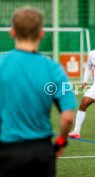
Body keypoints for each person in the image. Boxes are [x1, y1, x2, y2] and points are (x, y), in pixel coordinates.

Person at [0, 7, 77, 177]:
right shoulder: (54, 69)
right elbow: (67, 117)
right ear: (41, 33)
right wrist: (61, 141)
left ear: (12, 33)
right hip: (41, 151)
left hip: (6, 149)